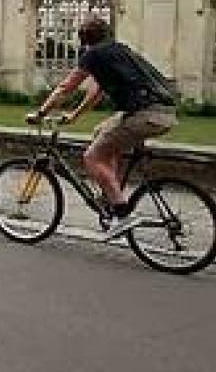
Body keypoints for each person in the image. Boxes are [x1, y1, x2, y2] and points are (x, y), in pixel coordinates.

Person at [27, 17, 177, 239]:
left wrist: (41, 113)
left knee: (92, 158)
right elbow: (96, 91)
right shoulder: (118, 51)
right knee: (102, 131)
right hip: (163, 112)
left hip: (145, 114)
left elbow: (66, 87)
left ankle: (122, 212)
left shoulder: (94, 54)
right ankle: (112, 194)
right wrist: (74, 116)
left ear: (84, 40)